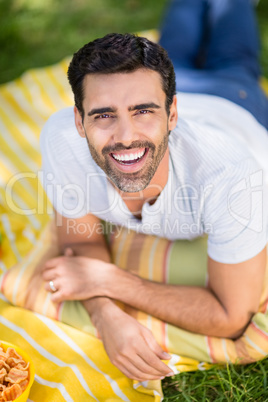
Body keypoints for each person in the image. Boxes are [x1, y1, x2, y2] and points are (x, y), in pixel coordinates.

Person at [40, 0, 268, 382]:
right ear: (79, 120)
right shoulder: (62, 139)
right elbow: (80, 249)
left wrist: (110, 281)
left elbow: (230, 317)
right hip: (166, 93)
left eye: (142, 111)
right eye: (103, 115)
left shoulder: (230, 179)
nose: (125, 137)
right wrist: (106, 315)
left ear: (172, 113)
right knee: (179, 24)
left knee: (233, 47)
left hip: (235, 105)